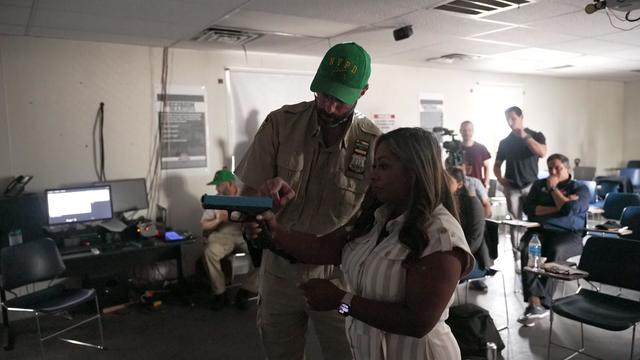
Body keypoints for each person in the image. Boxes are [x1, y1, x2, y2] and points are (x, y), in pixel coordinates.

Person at [247, 128, 474, 359]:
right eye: (374, 166)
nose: (373, 175)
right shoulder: (378, 220)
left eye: (383, 167)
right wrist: (274, 230)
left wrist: (339, 300)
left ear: (414, 171)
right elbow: (323, 248)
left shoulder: (440, 235)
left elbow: (417, 323)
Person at [235, 42, 381, 359]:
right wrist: (258, 202)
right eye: (324, 94)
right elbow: (247, 199)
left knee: (346, 353)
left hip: (339, 276)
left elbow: (376, 220)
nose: (329, 107)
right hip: (279, 272)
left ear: (363, 91)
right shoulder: (280, 124)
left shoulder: (373, 143)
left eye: (339, 100)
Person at [517, 154, 589, 326]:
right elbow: (529, 209)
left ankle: (543, 303)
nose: (553, 172)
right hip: (540, 231)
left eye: (558, 168)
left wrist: (553, 190)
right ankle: (535, 301)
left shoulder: (580, 188)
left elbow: (570, 209)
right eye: (550, 168)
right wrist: (559, 205)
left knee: (556, 250)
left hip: (569, 234)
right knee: (527, 247)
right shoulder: (538, 184)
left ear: (568, 168)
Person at [493, 106, 546, 267]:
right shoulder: (505, 142)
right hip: (512, 188)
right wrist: (501, 179)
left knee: (534, 220)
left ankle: (535, 255)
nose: (510, 122)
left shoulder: (536, 135)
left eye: (513, 118)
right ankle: (518, 259)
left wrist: (523, 135)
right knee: (515, 223)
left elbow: (542, 152)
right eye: (507, 119)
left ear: (521, 117)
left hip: (531, 186)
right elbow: (496, 166)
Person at [200, 167, 257, 310]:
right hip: (223, 235)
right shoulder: (216, 200)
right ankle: (220, 293)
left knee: (263, 254)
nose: (217, 189)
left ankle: (246, 290)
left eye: (219, 185)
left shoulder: (246, 196)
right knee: (209, 252)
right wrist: (218, 220)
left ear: (230, 184)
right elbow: (204, 224)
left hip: (244, 234)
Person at [447, 167, 493, 292]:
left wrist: (452, 256)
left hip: (474, 259)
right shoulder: (445, 203)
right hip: (453, 255)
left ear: (460, 184)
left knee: (441, 269)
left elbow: (475, 241)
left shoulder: (472, 203)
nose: (443, 184)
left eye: (447, 180)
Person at [460, 121, 491, 188]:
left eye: (469, 130)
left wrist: (486, 184)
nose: (467, 133)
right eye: (464, 130)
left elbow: (487, 167)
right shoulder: (455, 149)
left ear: (473, 131)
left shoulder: (481, 148)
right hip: (460, 187)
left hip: (478, 187)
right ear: (460, 131)